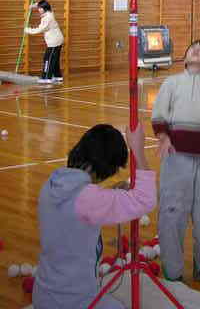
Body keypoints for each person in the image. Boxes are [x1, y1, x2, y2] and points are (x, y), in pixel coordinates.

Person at [33, 122, 160, 309]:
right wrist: (138, 150)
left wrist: (109, 193)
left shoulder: (52, 184)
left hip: (44, 294)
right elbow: (145, 199)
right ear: (105, 167)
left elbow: (75, 209)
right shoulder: (89, 200)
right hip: (72, 301)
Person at [151, 39, 200, 282]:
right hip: (176, 156)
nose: (196, 48)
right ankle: (173, 271)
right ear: (185, 58)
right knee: (171, 212)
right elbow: (159, 112)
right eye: (192, 47)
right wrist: (163, 136)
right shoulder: (171, 83)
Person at [25, 0, 64, 84]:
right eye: (38, 8)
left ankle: (46, 77)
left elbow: (40, 29)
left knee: (47, 59)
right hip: (57, 39)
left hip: (54, 41)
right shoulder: (49, 12)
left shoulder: (48, 18)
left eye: (40, 8)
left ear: (44, 8)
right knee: (54, 59)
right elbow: (41, 4)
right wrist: (33, 6)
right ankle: (58, 76)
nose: (39, 9)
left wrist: (28, 30)